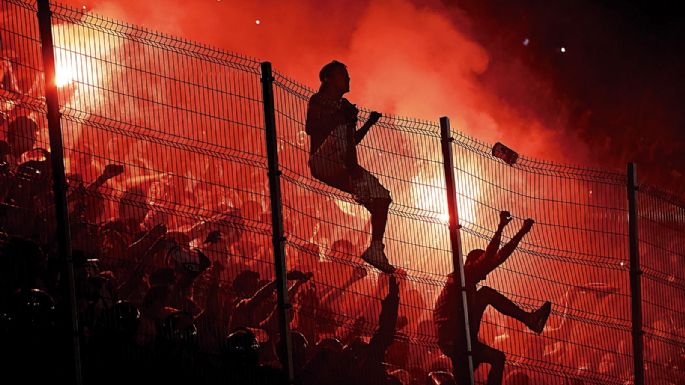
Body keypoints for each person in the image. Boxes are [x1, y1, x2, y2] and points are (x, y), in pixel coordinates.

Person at [433, 211, 552, 385]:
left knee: (497, 358)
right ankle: (529, 319)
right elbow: (491, 256)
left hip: (459, 337)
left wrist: (521, 232)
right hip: (454, 336)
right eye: (484, 269)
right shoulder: (463, 275)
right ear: (475, 263)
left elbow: (499, 257)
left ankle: (529, 319)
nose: (486, 275)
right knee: (486, 294)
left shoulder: (466, 282)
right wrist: (500, 227)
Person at [305, 60, 394, 273]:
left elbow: (351, 140)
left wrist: (368, 124)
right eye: (342, 74)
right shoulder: (319, 100)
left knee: (382, 198)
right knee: (342, 128)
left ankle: (375, 249)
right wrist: (341, 118)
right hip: (323, 160)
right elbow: (311, 128)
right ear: (328, 78)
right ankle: (356, 177)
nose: (348, 78)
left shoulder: (345, 109)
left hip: (341, 164)